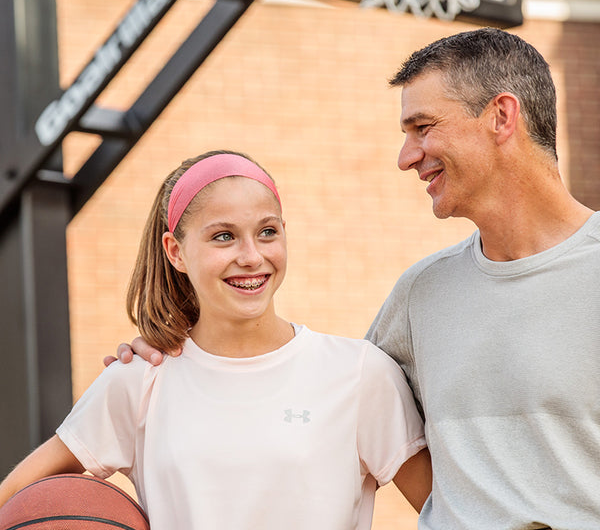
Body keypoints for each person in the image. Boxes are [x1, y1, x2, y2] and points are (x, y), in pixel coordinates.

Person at [117, 29, 600, 530]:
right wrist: (171, 357)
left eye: (423, 127)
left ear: (501, 116)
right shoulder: (422, 296)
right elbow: (301, 388)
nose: (406, 155)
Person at [0, 150, 432, 529]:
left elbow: (450, 514)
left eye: (267, 231)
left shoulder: (358, 373)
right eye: (223, 236)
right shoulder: (139, 380)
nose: (251, 256)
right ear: (175, 252)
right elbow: (17, 497)